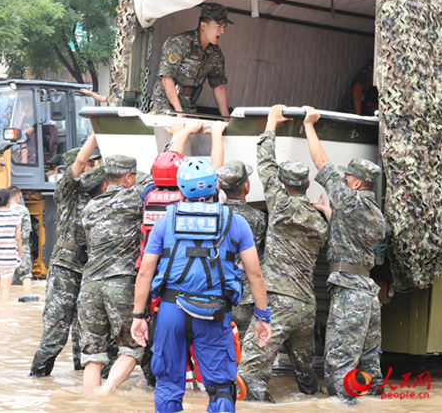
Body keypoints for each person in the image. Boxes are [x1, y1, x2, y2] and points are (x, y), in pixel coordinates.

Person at [132, 157, 271, 413]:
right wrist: (263, 317)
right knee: (220, 387)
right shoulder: (235, 222)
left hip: (171, 312)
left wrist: (139, 316)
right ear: (215, 185)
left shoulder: (165, 221)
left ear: (181, 189)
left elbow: (145, 274)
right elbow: (255, 275)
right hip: (213, 313)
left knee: (168, 385)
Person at [237, 105, 328, 401]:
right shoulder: (320, 221)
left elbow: (266, 166)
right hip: (306, 308)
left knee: (249, 373)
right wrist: (328, 212)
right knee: (306, 375)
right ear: (307, 185)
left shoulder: (281, 206)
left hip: (279, 304)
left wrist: (271, 125)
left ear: (285, 186)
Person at [302, 106, 386, 400]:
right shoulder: (373, 214)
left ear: (358, 183)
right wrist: (330, 213)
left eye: (348, 177)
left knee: (339, 369)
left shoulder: (350, 203)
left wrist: (309, 125)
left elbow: (322, 164)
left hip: (349, 294)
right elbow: (352, 240)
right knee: (369, 369)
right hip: (367, 294)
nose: (345, 179)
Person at [30, 136, 98, 377]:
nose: (93, 168)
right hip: (66, 268)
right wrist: (96, 132)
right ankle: (38, 377)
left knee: (86, 331)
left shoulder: (96, 195)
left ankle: (81, 383)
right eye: (91, 164)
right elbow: (79, 161)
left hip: (89, 269)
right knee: (56, 330)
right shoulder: (67, 191)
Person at [77, 154, 144, 394]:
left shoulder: (89, 207)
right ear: (128, 178)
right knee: (133, 347)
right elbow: (158, 178)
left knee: (93, 355)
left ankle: (91, 404)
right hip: (120, 284)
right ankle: (106, 393)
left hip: (89, 286)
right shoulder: (133, 198)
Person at [148, 2, 232, 117]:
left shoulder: (215, 53)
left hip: (188, 103)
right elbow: (167, 79)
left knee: (195, 130)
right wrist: (179, 112)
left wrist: (227, 119)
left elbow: (219, 86)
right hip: (165, 101)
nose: (222, 32)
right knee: (176, 128)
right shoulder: (180, 43)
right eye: (218, 27)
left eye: (224, 28)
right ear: (203, 26)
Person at [216, 160, 267, 340]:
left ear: (220, 186)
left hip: (218, 292)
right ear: (246, 186)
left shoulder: (215, 216)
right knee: (243, 345)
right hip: (246, 295)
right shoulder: (258, 218)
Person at [8, 185, 33, 294]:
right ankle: (29, 299)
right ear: (17, 196)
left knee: (6, 277)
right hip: (21, 245)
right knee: (26, 275)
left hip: (6, 246)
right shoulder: (23, 210)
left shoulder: (3, 209)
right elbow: (26, 233)